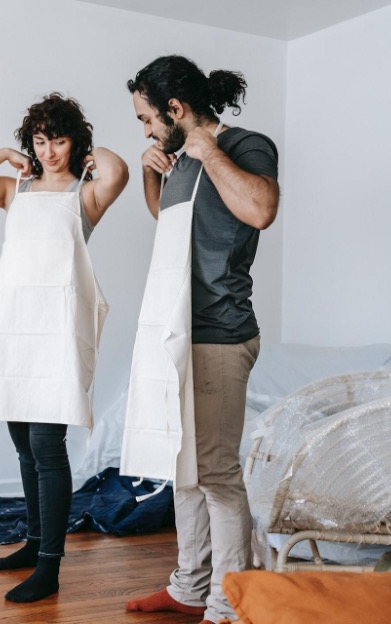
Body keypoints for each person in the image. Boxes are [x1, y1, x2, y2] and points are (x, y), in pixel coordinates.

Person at [0, 93, 128, 603]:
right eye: (41, 141)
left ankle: (50, 565)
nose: (49, 151)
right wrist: (6, 154)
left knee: (48, 448)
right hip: (14, 330)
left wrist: (93, 152)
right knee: (24, 448)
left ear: (76, 143)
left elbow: (117, 173)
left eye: (60, 139)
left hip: (57, 335)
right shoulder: (15, 189)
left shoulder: (85, 195)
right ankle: (32, 544)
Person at [120, 56, 279, 624]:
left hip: (220, 335)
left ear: (176, 109)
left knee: (214, 473)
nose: (145, 129)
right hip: (177, 331)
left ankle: (229, 601)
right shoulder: (178, 160)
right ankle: (190, 587)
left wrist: (206, 148)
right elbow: (170, 226)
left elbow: (260, 209)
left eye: (147, 119)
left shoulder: (245, 145)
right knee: (182, 469)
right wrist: (150, 170)